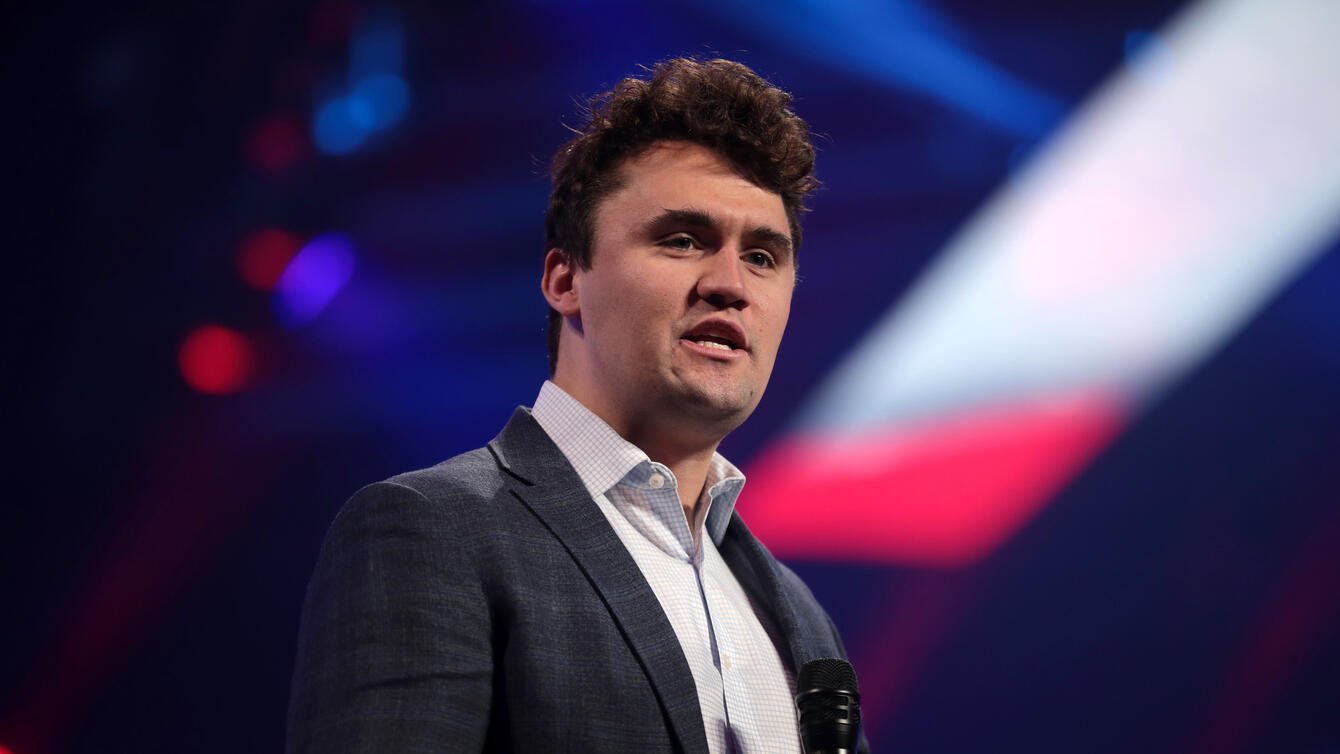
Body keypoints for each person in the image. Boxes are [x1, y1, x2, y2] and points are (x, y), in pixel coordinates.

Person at [287, 57, 863, 754]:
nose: (730, 285)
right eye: (683, 240)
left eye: (764, 257)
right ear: (565, 278)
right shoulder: (433, 532)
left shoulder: (801, 616)